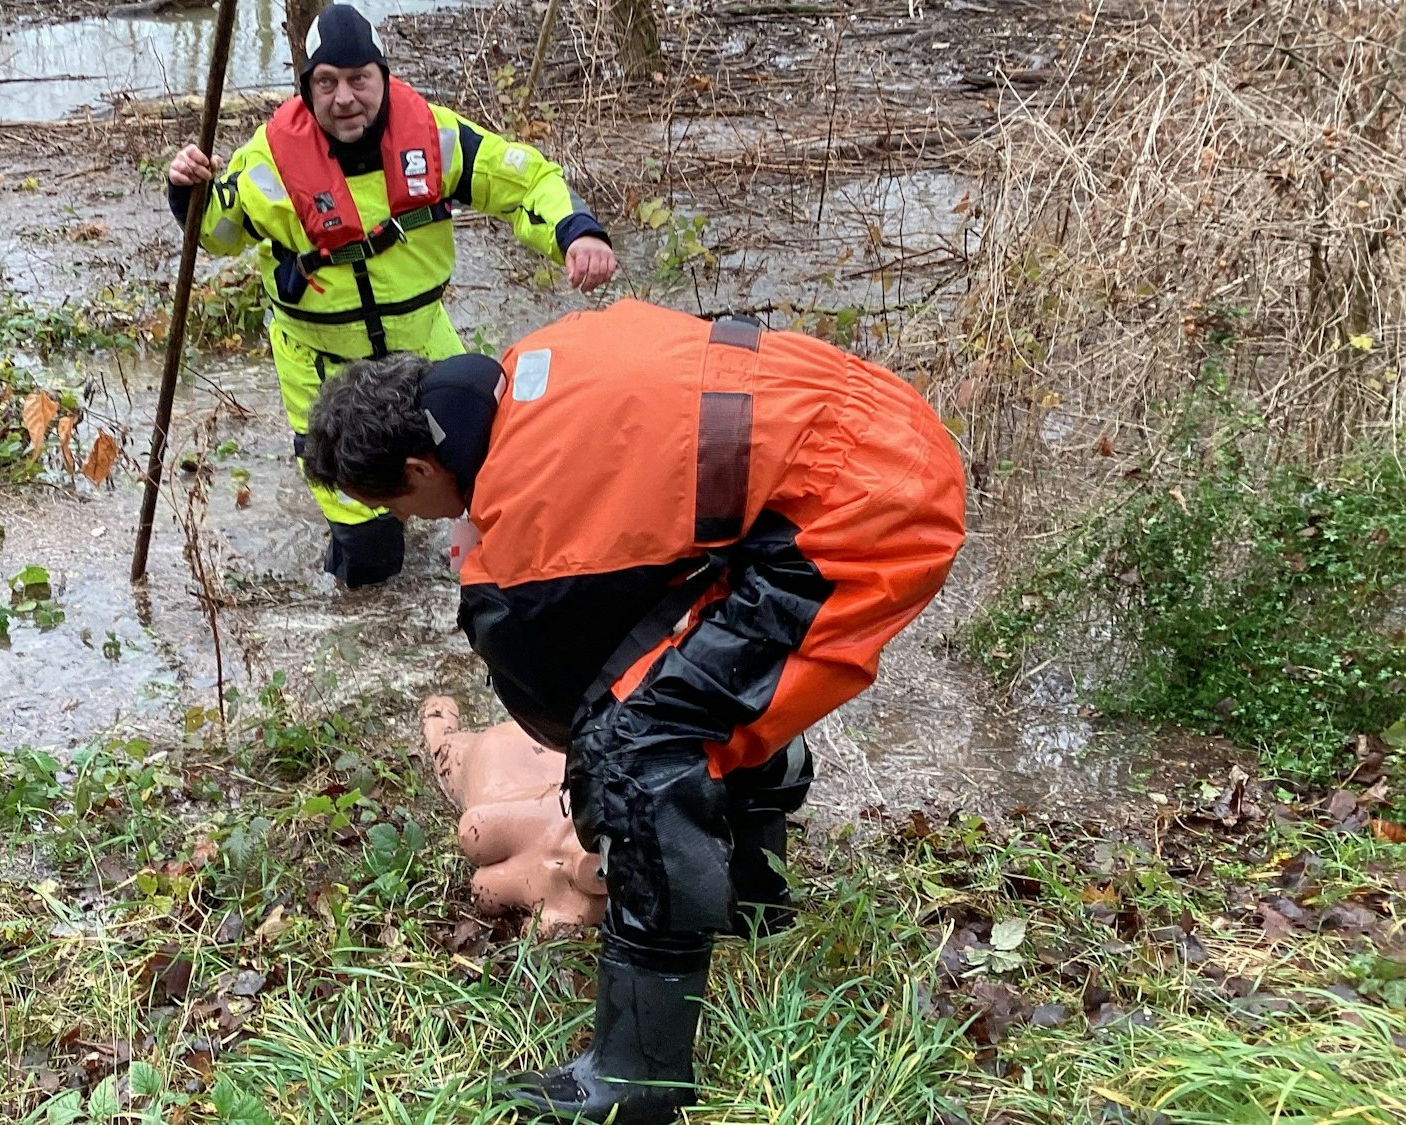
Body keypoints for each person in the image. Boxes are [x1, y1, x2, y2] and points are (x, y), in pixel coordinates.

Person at [300, 299, 968, 1123]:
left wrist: (486, 574)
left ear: (418, 471)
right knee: (677, 684)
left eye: (396, 507)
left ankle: (638, 1078)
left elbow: (557, 707)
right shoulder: (535, 361)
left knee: (636, 749)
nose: (408, 521)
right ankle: (755, 897)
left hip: (861, 512)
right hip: (869, 431)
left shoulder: (526, 513)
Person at [164, 3, 617, 588]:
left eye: (358, 79)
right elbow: (218, 234)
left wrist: (575, 232)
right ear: (307, 88)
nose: (344, 98)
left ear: (382, 76)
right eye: (326, 83)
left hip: (421, 346)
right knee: (371, 553)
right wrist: (188, 191)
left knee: (493, 488)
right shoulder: (268, 162)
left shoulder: (435, 135)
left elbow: (525, 180)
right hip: (322, 368)